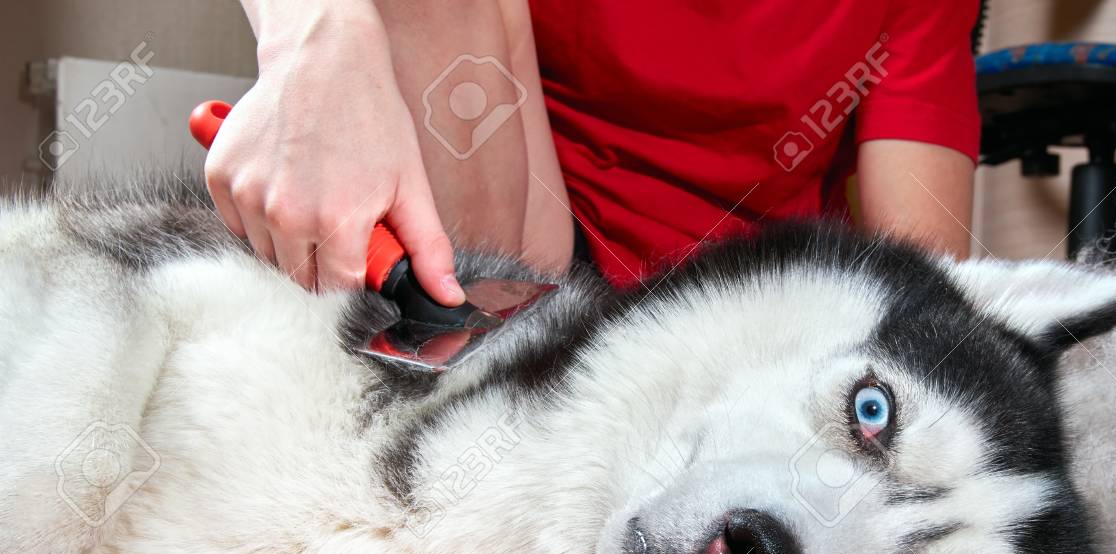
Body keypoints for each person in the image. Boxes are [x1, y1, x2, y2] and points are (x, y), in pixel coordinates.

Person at [206, 0, 979, 301]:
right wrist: (315, 35)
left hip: (736, 306)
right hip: (539, 256)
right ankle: (460, 396)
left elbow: (926, 267)